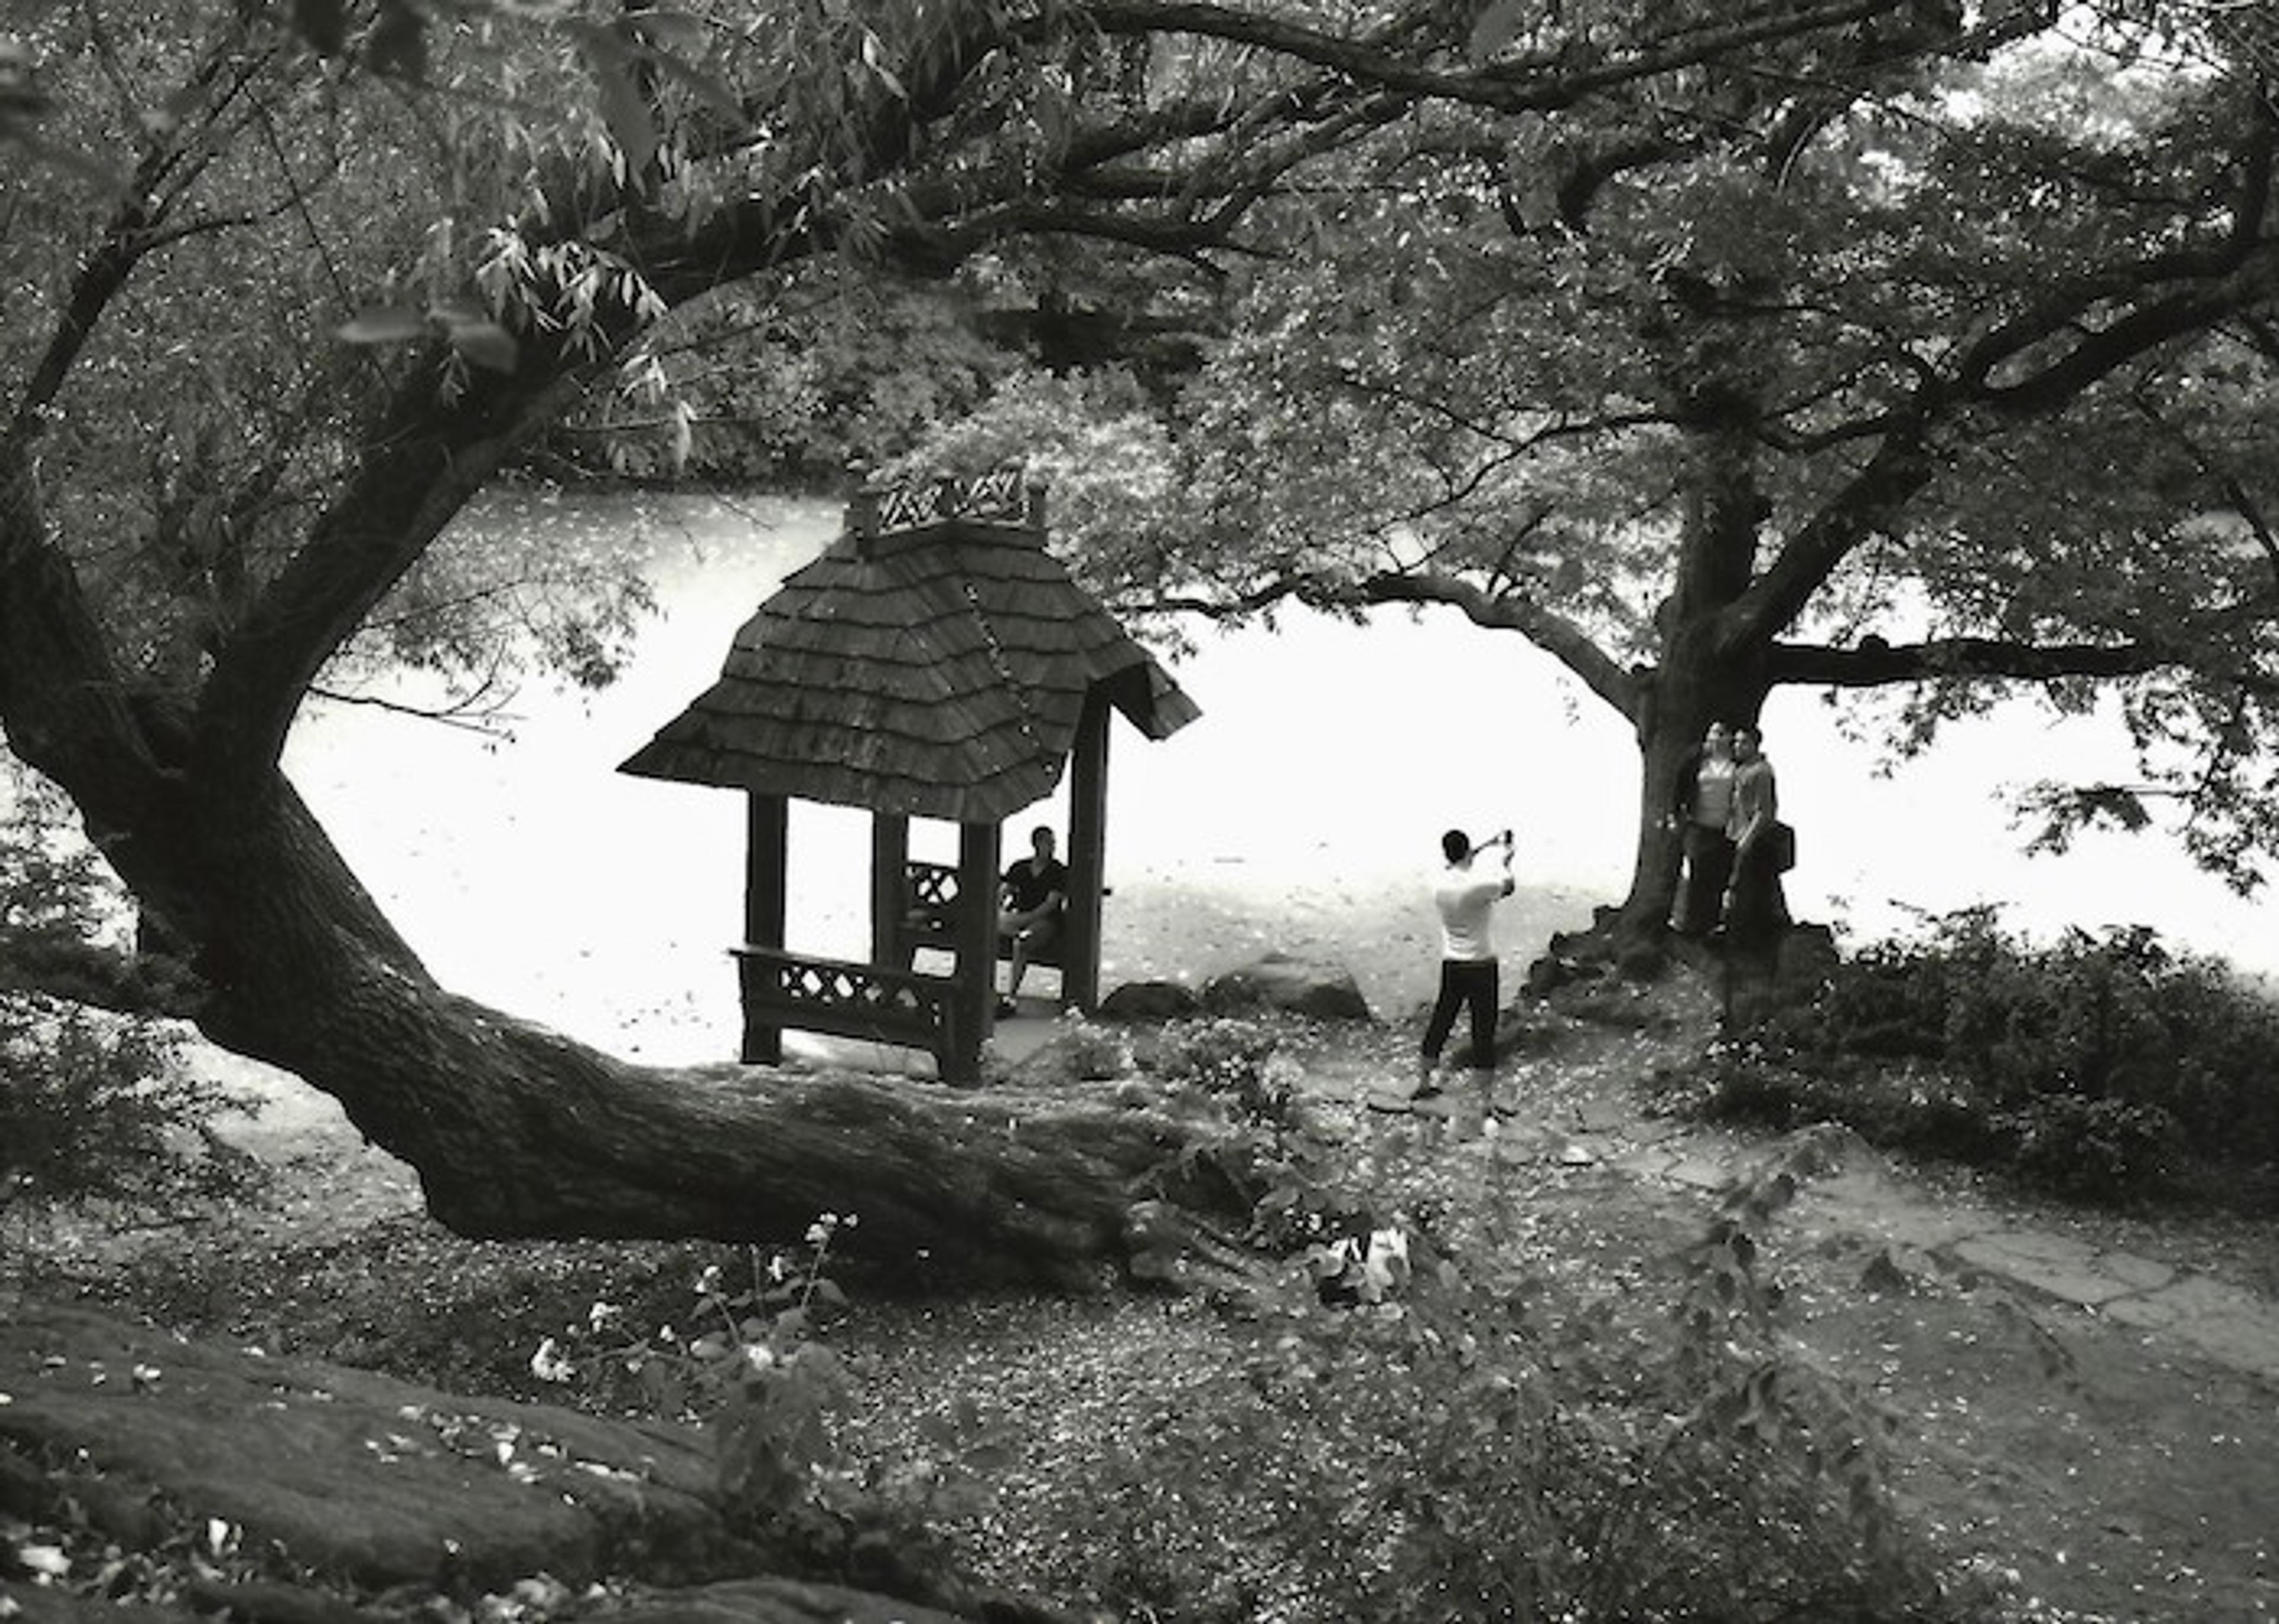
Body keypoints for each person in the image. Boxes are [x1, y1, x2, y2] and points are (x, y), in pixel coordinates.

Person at [1418, 827, 1514, 1101]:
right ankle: (1485, 1099)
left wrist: (1474, 854)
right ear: (1466, 851)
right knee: (1483, 1030)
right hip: (1482, 965)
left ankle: (1425, 1079)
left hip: (1452, 964)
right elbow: (1509, 886)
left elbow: (1454, 867)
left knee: (1442, 1019)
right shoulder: (1480, 887)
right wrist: (1506, 859)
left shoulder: (1438, 883)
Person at [1721, 724, 1788, 951]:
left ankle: (1749, 941)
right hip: (1736, 834)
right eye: (1736, 742)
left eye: (1744, 743)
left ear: (1755, 745)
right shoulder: (1741, 770)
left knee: (1747, 890)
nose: (1738, 747)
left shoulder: (1762, 772)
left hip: (1753, 840)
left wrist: (1746, 840)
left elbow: (1764, 812)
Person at [1667, 721, 1737, 937]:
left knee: (1719, 878)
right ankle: (1686, 924)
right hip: (1698, 825)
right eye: (1713, 733)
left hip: (1726, 829)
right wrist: (1674, 814)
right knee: (1696, 873)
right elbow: (1679, 786)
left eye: (1721, 734)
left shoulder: (1736, 764)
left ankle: (1710, 926)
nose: (1715, 738)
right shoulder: (1697, 759)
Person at [997, 825, 1067, 1016]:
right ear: (1037, 845)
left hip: (1046, 921)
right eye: (1048, 844)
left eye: (1053, 844)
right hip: (1020, 917)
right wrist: (998, 910)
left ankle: (1011, 993)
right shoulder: (1020, 867)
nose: (1052, 848)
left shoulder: (1057, 871)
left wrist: (1028, 918)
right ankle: (981, 986)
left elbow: (1052, 903)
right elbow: (1004, 891)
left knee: (1022, 943)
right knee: (988, 926)